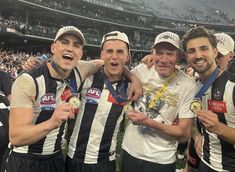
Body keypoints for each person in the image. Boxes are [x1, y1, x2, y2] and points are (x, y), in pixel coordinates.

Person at [5, 26, 102, 172]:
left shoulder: (80, 70)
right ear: (53, 48)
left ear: (80, 54)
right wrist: (52, 122)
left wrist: (133, 76)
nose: (70, 48)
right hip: (25, 160)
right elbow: (16, 137)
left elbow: (103, 62)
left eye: (76, 45)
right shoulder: (28, 81)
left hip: (56, 159)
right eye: (64, 42)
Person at [121, 31, 198, 172]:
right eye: (159, 53)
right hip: (130, 151)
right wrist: (133, 78)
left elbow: (184, 134)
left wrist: (148, 122)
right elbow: (118, 68)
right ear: (152, 53)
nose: (163, 59)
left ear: (179, 56)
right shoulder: (141, 70)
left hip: (161, 159)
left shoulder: (188, 85)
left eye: (170, 54)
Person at [65, 31, 138, 172]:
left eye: (120, 52)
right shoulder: (85, 77)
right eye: (109, 51)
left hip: (105, 162)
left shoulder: (131, 87)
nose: (114, 56)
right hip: (75, 158)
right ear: (102, 54)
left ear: (127, 56)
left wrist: (136, 77)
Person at [181, 26, 235, 172]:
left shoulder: (232, 86)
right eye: (191, 51)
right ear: (186, 57)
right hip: (204, 163)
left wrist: (219, 128)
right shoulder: (193, 85)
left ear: (215, 51)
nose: (197, 55)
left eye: (204, 48)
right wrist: (196, 134)